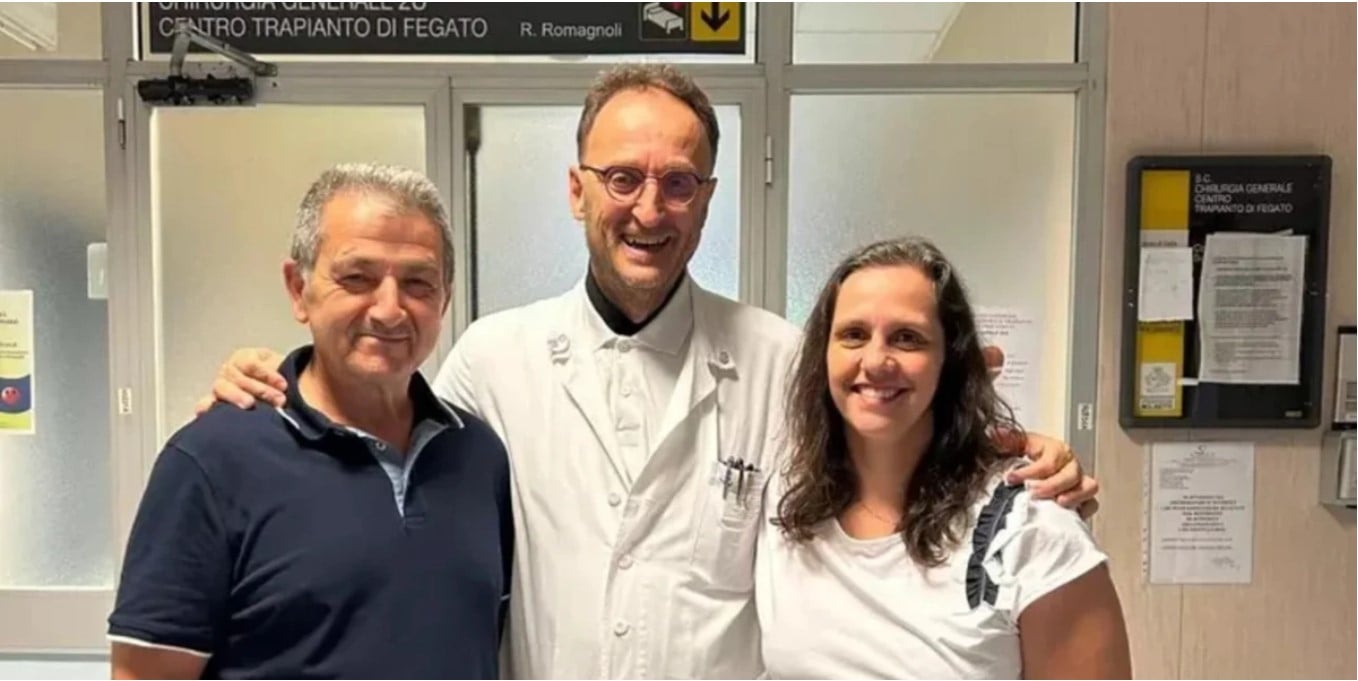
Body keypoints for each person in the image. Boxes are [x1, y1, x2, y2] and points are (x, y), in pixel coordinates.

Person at [196, 64, 1099, 679]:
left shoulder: (781, 360)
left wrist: (1017, 459)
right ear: (577, 189)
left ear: (707, 199)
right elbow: (371, 438)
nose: (649, 208)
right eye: (622, 178)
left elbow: (885, 452)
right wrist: (276, 383)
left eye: (678, 182)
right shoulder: (491, 361)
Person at [107, 164, 513, 679]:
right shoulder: (211, 462)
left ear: (445, 299)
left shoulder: (477, 458)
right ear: (299, 289)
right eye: (357, 278)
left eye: (418, 283)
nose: (389, 310)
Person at [756, 237, 1131, 679]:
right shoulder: (787, 505)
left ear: (949, 361)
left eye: (907, 338)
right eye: (854, 335)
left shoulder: (1030, 531)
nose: (875, 361)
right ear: (823, 355)